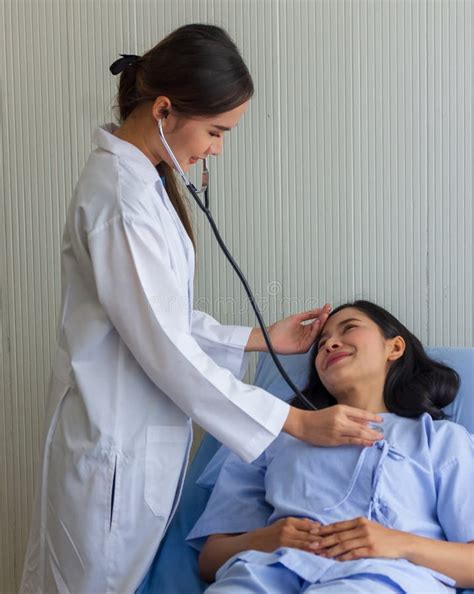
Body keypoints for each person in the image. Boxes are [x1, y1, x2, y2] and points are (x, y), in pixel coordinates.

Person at [20, 26, 383, 594]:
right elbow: (165, 351)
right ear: (165, 110)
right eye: (216, 130)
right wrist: (296, 422)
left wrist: (261, 340)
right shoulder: (121, 201)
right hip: (112, 458)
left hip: (132, 455)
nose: (216, 148)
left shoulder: (142, 186)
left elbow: (154, 319)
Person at [188, 301, 474, 593]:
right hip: (264, 575)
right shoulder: (274, 436)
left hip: (380, 578)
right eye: (321, 343)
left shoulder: (440, 440)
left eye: (349, 328)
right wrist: (263, 539)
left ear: (395, 348)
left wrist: (399, 543)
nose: (330, 344)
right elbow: (210, 559)